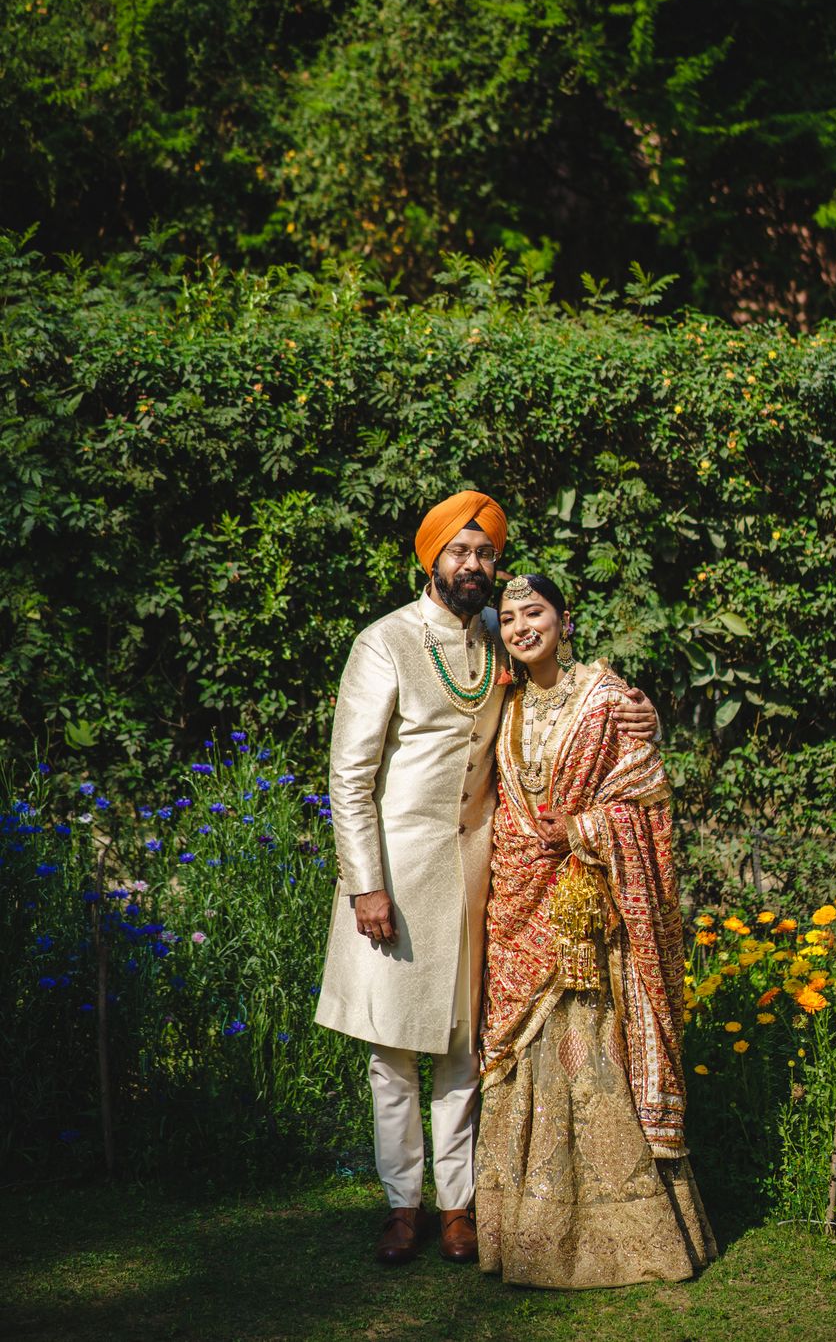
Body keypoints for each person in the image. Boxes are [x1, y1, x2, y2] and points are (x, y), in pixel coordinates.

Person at [314, 493, 658, 1266]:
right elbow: (349, 773)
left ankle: (458, 1204)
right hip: (396, 875)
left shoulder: (501, 637)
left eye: (485, 554)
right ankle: (403, 1205)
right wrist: (364, 882)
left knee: (466, 1044)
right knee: (394, 1051)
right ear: (429, 558)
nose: (475, 566)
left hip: (482, 876)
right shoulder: (386, 643)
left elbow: (574, 693)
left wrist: (646, 714)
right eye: (460, 553)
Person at [477, 573, 716, 1288]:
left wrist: (584, 827)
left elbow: (644, 792)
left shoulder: (610, 699)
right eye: (511, 618)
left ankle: (631, 1236)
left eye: (536, 613)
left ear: (565, 619)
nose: (523, 627)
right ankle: (528, 1237)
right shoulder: (504, 703)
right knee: (528, 1064)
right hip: (519, 908)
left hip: (591, 906)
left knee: (594, 1054)